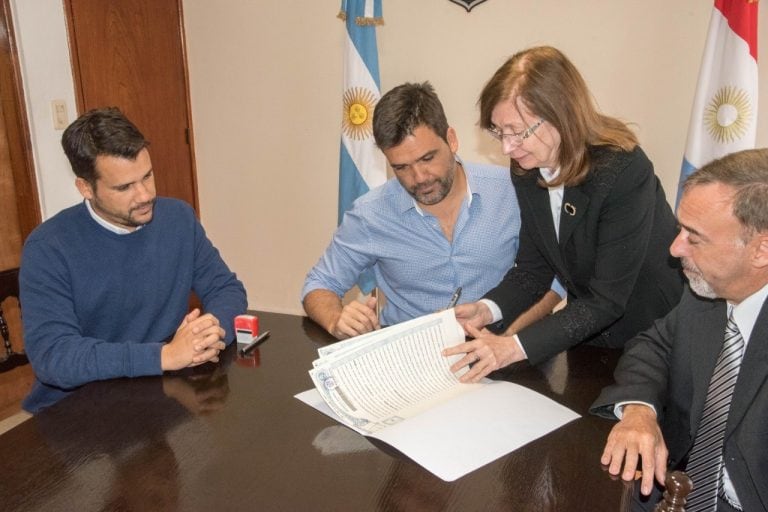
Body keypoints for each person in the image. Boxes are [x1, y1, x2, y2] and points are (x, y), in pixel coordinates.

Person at [447, 46, 683, 379]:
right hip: (588, 338)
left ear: (561, 114)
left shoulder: (622, 169)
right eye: (499, 132)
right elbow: (533, 269)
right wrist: (486, 309)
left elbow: (607, 300)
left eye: (518, 131)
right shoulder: (526, 169)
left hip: (653, 337)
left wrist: (513, 346)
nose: (506, 148)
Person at [20, 107, 247, 413]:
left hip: (162, 393)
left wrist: (211, 332)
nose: (144, 195)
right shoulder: (48, 247)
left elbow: (226, 289)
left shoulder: (178, 218)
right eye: (125, 187)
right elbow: (55, 356)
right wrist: (163, 356)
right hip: (79, 410)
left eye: (147, 176)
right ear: (86, 188)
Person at [302, 82, 562, 339]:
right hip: (412, 358)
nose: (419, 178)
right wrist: (336, 319)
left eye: (427, 158)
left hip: (511, 348)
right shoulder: (371, 215)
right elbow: (319, 285)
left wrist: (507, 339)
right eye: (401, 167)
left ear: (451, 139)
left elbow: (555, 281)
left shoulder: (513, 191)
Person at [591, 148, 768, 512]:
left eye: (694, 237)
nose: (674, 250)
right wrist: (640, 411)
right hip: (674, 487)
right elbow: (653, 345)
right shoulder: (706, 293)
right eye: (679, 229)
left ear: (761, 250)